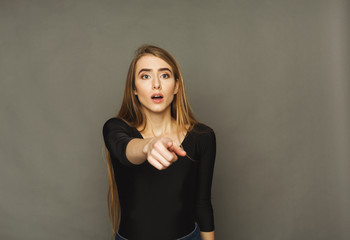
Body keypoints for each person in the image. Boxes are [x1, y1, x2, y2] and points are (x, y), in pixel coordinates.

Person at [102, 44, 216, 240]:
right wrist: (148, 146)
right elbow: (124, 148)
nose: (156, 84)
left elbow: (202, 203)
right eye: (145, 76)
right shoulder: (115, 128)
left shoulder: (202, 136)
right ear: (134, 89)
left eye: (164, 75)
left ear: (176, 86)